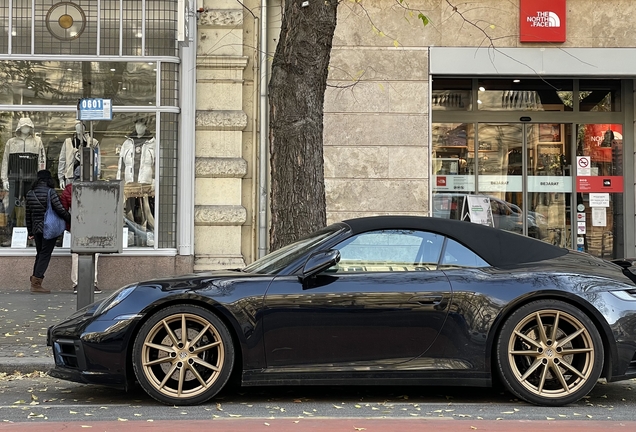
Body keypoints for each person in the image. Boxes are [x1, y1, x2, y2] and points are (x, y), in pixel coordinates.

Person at [25, 170, 70, 294]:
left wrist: (30, 231)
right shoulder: (51, 192)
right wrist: (70, 219)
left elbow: (28, 215)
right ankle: (36, 283)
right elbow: (60, 209)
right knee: (45, 254)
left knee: (40, 254)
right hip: (49, 227)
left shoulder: (30, 193)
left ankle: (35, 280)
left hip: (36, 228)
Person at [61, 166, 100, 294]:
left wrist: (69, 225)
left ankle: (77, 283)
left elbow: (63, 209)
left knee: (76, 255)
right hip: (93, 224)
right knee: (95, 253)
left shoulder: (69, 189)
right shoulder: (95, 188)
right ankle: (93, 283)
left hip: (77, 224)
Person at [1, 117, 46, 228]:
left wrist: (41, 180)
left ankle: (31, 234)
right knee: (11, 207)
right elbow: (5, 161)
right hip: (14, 179)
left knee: (32, 207)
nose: (26, 128)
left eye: (28, 126)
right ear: (19, 127)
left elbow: (42, 161)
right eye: (23, 126)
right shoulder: (11, 142)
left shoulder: (37, 141)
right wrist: (4, 179)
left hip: (32, 180)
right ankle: (11, 233)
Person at [58, 121, 100, 188]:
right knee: (71, 196)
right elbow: (62, 160)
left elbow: (97, 160)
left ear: (84, 128)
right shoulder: (68, 142)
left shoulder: (93, 142)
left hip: (88, 177)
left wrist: (97, 176)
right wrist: (61, 178)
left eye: (81, 126)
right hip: (70, 176)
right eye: (77, 126)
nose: (79, 128)